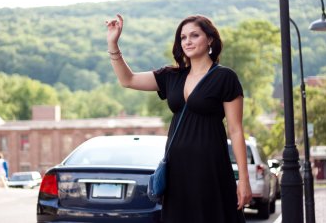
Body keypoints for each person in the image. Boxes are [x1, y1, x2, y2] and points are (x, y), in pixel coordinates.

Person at [105, 14, 252, 222]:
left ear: (210, 39)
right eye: (183, 37)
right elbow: (128, 80)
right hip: (176, 171)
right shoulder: (171, 76)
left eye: (194, 35)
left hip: (210, 168)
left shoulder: (225, 77)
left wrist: (243, 179)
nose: (188, 41)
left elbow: (236, 130)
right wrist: (113, 43)